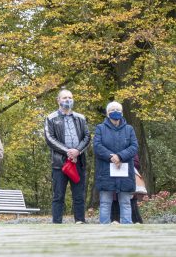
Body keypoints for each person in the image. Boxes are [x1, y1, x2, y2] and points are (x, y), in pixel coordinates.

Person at [44, 89, 90, 224]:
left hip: (79, 162)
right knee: (58, 196)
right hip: (60, 164)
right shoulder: (51, 118)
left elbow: (87, 137)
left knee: (79, 196)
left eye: (70, 97)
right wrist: (68, 152)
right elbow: (49, 138)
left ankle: (80, 221)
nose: (67, 100)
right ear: (58, 100)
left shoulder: (81, 118)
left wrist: (77, 151)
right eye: (64, 98)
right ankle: (57, 223)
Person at [93, 101, 139, 225]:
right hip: (105, 171)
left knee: (125, 202)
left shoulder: (129, 129)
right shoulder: (100, 128)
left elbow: (134, 147)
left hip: (124, 171)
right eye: (112, 109)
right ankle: (104, 229)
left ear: (122, 112)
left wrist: (120, 156)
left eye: (118, 110)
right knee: (105, 202)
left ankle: (127, 228)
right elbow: (97, 146)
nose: (115, 112)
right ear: (107, 113)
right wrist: (112, 157)